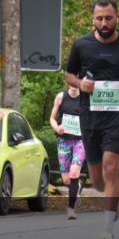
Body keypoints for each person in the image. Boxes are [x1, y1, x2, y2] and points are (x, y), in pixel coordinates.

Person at [64, 0, 119, 239]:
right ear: (93, 19)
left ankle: (107, 230)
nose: (104, 23)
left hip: (118, 116)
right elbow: (69, 74)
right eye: (99, 18)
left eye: (108, 18)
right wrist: (80, 84)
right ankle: (113, 204)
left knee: (111, 168)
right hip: (90, 117)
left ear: (117, 18)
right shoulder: (82, 45)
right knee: (98, 180)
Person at [50, 82, 86, 219]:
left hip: (80, 141)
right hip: (64, 141)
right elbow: (52, 118)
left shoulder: (86, 99)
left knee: (74, 172)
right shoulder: (60, 97)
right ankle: (76, 185)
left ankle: (71, 209)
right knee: (66, 179)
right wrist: (57, 128)